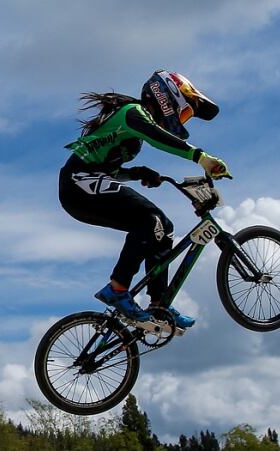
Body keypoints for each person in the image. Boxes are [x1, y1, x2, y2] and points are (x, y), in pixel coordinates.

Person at [59, 70, 231, 328]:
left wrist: (136, 173)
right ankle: (117, 289)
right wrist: (201, 157)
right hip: (77, 182)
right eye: (184, 113)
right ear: (168, 98)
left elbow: (108, 168)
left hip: (84, 186)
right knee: (150, 220)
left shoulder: (132, 132)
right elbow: (160, 139)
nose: (183, 120)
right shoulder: (133, 112)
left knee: (164, 228)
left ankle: (159, 302)